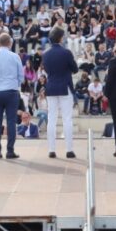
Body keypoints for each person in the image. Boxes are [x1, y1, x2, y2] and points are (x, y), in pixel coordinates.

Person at [0, 32, 24, 160]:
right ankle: (10, 150)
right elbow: (21, 76)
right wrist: (15, 85)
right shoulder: (14, 56)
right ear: (10, 43)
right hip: (11, 90)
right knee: (11, 121)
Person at [41, 26, 78, 159]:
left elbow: (46, 70)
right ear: (61, 38)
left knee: (52, 118)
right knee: (67, 119)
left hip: (51, 87)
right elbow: (75, 69)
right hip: (64, 87)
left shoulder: (45, 54)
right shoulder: (66, 52)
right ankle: (69, 150)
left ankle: (51, 150)